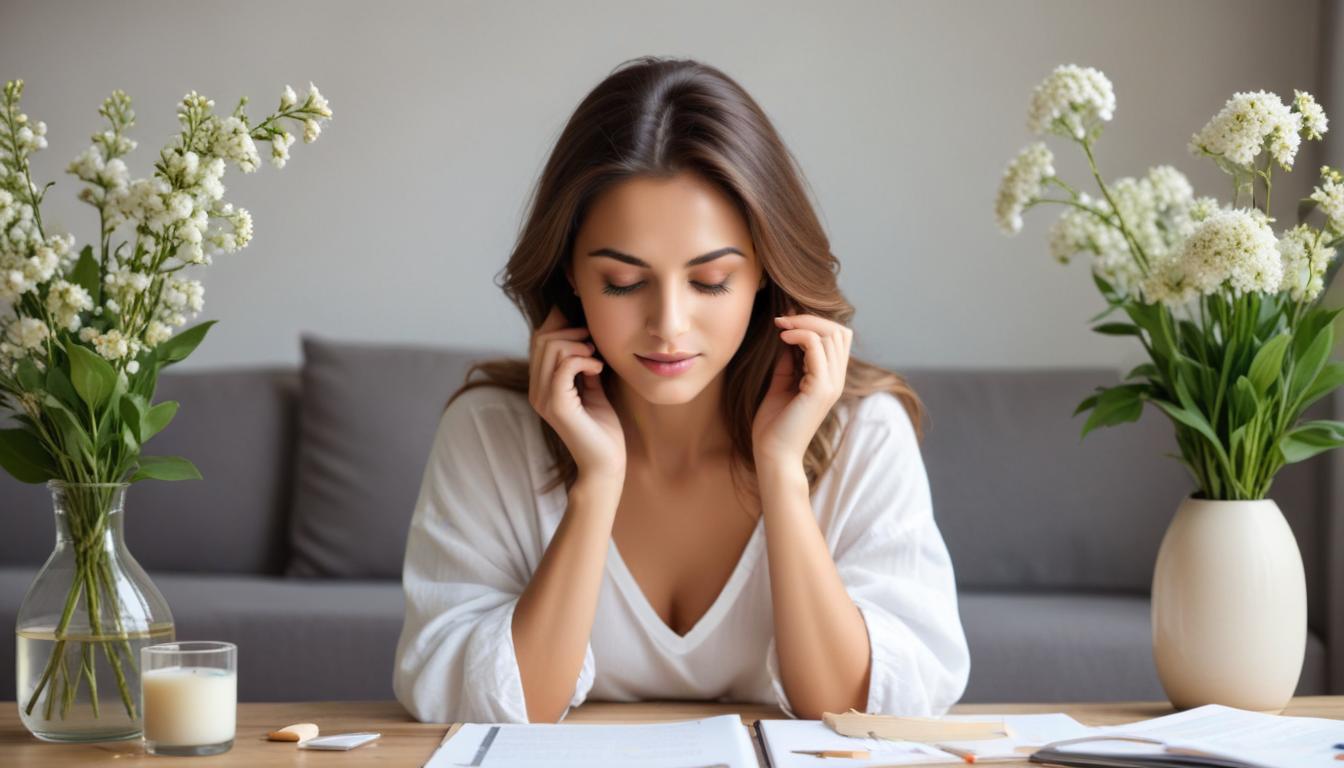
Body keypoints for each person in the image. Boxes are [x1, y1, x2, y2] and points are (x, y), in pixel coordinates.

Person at [392, 55, 969, 724]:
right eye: (623, 281)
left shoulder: (862, 432)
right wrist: (596, 482)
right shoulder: (490, 434)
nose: (668, 325)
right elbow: (479, 704)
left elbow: (864, 709)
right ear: (571, 275)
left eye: (711, 281)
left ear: (763, 275)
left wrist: (782, 474)